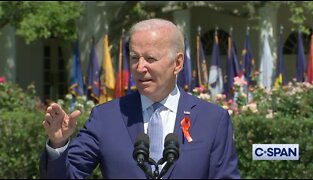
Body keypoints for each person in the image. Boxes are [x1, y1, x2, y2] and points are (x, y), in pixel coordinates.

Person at [40, 18, 240, 179]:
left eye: (150, 58)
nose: (140, 67)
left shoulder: (212, 119)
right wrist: (58, 144)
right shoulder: (106, 117)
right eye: (135, 58)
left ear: (177, 63)